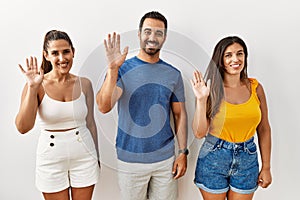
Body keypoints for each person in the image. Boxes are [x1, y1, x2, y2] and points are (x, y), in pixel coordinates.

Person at [96, 11, 188, 200]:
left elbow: (180, 115)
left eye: (158, 33)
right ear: (139, 34)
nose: (152, 38)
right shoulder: (122, 69)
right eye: (147, 32)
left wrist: (182, 152)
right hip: (130, 161)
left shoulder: (173, 74)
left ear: (165, 37)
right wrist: (112, 70)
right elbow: (104, 106)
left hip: (165, 161)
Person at [15, 30, 100, 200]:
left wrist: (97, 156)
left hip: (84, 156)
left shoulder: (85, 84)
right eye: (55, 53)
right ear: (46, 56)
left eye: (66, 51)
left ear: (73, 52)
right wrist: (32, 88)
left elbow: (90, 123)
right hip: (51, 159)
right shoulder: (37, 85)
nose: (62, 58)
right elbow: (23, 127)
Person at [190, 36, 272, 200]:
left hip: (247, 157)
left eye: (239, 54)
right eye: (228, 55)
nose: (235, 59)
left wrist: (266, 167)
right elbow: (199, 133)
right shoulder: (209, 89)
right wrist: (201, 100)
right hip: (213, 157)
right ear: (220, 59)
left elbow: (264, 129)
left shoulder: (255, 87)